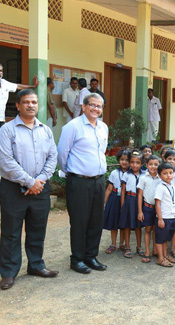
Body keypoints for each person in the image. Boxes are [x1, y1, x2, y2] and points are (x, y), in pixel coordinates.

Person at [0, 89, 58, 290]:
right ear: (18, 105)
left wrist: (39, 181)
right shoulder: (7, 130)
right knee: (11, 232)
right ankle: (8, 272)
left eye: (34, 102)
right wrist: (29, 182)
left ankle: (36, 265)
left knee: (37, 229)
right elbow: (6, 162)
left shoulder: (45, 130)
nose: (31, 105)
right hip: (13, 189)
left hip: (40, 188)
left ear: (38, 105)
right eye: (26, 102)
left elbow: (53, 157)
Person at [57, 93, 108, 274]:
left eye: (99, 106)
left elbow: (102, 151)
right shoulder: (72, 127)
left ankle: (91, 256)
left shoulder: (103, 127)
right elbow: (62, 154)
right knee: (79, 221)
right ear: (84, 106)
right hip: (79, 181)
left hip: (99, 181)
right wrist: (72, 172)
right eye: (92, 105)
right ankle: (77, 259)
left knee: (96, 220)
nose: (96, 109)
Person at [118, 149, 145, 258]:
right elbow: (123, 191)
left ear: (142, 164)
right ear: (129, 162)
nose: (134, 165)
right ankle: (127, 246)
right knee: (127, 225)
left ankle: (139, 247)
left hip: (139, 201)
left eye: (137, 162)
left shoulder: (144, 175)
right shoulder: (126, 175)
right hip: (129, 201)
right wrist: (122, 205)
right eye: (132, 162)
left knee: (138, 226)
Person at [103, 148, 130, 254]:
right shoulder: (114, 173)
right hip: (114, 199)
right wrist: (104, 202)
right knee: (113, 223)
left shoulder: (131, 173)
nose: (124, 162)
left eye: (127, 160)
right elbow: (109, 188)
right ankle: (113, 244)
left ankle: (122, 243)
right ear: (119, 160)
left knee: (123, 222)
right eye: (122, 159)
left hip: (126, 199)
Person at [137, 155, 161, 263]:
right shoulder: (143, 178)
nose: (153, 167)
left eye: (156, 164)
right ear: (146, 165)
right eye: (150, 164)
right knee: (148, 229)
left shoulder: (161, 178)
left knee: (156, 229)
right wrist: (140, 211)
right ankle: (147, 251)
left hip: (158, 209)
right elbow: (140, 195)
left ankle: (155, 250)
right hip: (147, 207)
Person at [154, 162, 175, 267]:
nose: (168, 175)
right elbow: (157, 203)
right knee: (160, 239)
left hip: (171, 216)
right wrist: (160, 218)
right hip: (163, 217)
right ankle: (160, 258)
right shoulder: (160, 187)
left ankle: (165, 255)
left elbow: (174, 201)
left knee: (166, 238)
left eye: (171, 173)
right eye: (165, 173)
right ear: (159, 175)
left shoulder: (172, 185)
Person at [0, 63, 39, 127]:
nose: (0, 73)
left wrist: (32, 86)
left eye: (1, 71)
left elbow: (18, 86)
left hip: (1, 119)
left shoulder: (4, 83)